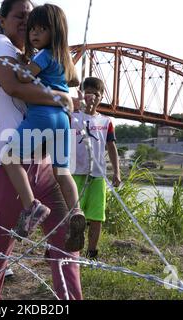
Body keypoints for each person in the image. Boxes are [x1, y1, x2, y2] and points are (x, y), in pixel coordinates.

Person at [0, 0, 82, 300]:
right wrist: (63, 99)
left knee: (65, 241)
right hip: (1, 161)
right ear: (2, 19)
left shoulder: (37, 56)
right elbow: (15, 87)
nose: (26, 24)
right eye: (20, 17)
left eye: (33, 19)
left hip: (40, 159)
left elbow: (68, 81)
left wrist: (63, 94)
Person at [0, 4, 85, 252]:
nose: (35, 34)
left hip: (43, 115)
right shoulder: (63, 57)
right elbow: (75, 80)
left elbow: (25, 77)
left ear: (54, 32)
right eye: (33, 29)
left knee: (9, 156)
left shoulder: (43, 55)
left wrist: (19, 64)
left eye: (42, 29)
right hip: (63, 119)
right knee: (62, 172)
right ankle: (76, 212)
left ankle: (31, 206)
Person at [71, 77, 121, 259]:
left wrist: (117, 172)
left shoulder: (106, 121)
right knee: (71, 215)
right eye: (88, 93)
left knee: (96, 216)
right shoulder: (73, 117)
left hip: (98, 175)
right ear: (82, 95)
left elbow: (111, 147)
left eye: (96, 94)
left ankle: (91, 253)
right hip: (75, 173)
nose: (92, 97)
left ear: (101, 97)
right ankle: (60, 248)